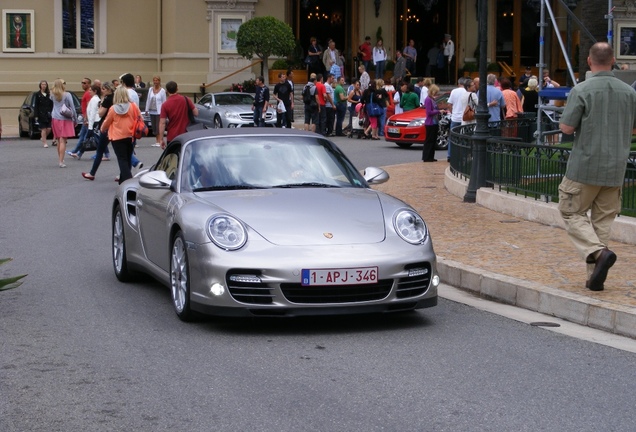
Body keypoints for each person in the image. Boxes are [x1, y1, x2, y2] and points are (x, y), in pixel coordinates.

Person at [558, 42, 636, 292]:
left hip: (585, 165)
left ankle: (597, 252)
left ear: (590, 62)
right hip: (615, 168)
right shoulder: (629, 92)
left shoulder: (581, 90)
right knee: (602, 222)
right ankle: (594, 278)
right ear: (613, 60)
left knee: (571, 211)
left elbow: (567, 128)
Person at [100, 86, 140, 184]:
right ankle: (123, 179)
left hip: (117, 137)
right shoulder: (133, 106)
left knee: (122, 159)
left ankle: (127, 181)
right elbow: (139, 117)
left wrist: (102, 129)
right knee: (127, 157)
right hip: (130, 135)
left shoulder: (113, 109)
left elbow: (107, 121)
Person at [82, 82, 115, 181]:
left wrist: (100, 106)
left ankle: (92, 173)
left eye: (104, 89)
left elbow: (101, 113)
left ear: (109, 89)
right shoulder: (114, 98)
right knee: (119, 149)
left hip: (106, 127)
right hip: (114, 126)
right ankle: (133, 164)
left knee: (100, 150)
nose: (102, 91)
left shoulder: (107, 99)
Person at [159, 80, 199, 148]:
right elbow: (196, 113)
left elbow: (162, 123)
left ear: (167, 91)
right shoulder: (186, 99)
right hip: (186, 134)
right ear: (177, 88)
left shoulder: (165, 105)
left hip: (172, 137)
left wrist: (161, 139)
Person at [50, 78, 77, 168]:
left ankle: (60, 159)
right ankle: (61, 161)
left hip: (55, 118)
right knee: (63, 141)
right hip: (65, 118)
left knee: (58, 140)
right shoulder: (67, 95)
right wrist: (75, 119)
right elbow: (72, 107)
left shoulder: (52, 95)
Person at [73, 83, 101, 160]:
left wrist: (90, 125)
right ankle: (79, 153)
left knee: (93, 139)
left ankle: (79, 153)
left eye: (91, 90)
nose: (89, 92)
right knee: (89, 139)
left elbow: (92, 112)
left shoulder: (94, 100)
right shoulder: (96, 99)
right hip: (94, 121)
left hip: (94, 122)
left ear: (95, 91)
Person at [67, 77, 92, 157]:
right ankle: (77, 152)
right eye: (82, 83)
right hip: (85, 117)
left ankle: (76, 151)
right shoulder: (86, 93)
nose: (83, 84)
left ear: (89, 84)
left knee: (84, 137)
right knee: (83, 136)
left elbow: (88, 106)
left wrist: (86, 118)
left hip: (87, 118)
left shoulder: (88, 93)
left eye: (85, 83)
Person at [446, 77, 467, 160]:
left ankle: (450, 155)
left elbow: (449, 105)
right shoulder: (467, 92)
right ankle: (462, 155)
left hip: (455, 117)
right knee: (464, 137)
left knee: (452, 137)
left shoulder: (454, 91)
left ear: (458, 83)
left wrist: (452, 112)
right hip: (464, 118)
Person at [422, 84, 443, 162]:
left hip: (434, 122)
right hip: (430, 123)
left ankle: (431, 156)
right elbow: (429, 112)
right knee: (429, 140)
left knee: (433, 140)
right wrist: (438, 111)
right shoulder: (428, 99)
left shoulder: (432, 99)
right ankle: (426, 156)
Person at [145, 75, 166, 147]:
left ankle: (160, 140)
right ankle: (156, 140)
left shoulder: (162, 91)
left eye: (157, 80)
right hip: (151, 110)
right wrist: (146, 110)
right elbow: (148, 100)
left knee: (158, 126)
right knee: (153, 126)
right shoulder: (150, 89)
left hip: (159, 111)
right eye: (154, 80)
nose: (155, 82)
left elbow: (164, 101)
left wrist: (164, 111)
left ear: (159, 81)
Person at [34, 80, 53, 148]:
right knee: (43, 128)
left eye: (45, 84)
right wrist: (36, 115)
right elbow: (36, 105)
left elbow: (51, 103)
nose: (44, 86)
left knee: (49, 129)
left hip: (48, 113)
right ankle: (45, 143)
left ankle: (43, 137)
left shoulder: (48, 94)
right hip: (41, 113)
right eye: (42, 84)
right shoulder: (37, 94)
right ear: (40, 85)